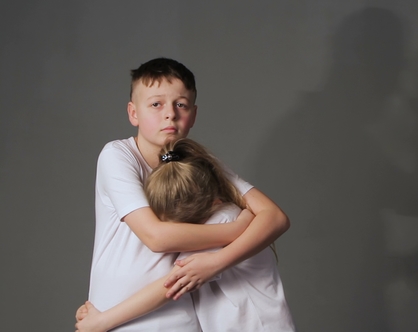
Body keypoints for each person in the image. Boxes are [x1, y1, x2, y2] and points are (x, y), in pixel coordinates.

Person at [77, 58, 290, 331]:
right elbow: (156, 236)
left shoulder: (200, 165)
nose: (170, 114)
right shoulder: (118, 156)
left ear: (194, 114)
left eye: (181, 104)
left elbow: (275, 218)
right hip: (115, 314)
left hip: (171, 314)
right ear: (133, 113)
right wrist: (238, 229)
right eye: (156, 104)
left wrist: (217, 261)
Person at [76, 138, 295, 332]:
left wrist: (103, 321)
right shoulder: (228, 215)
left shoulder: (222, 218)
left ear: (212, 202)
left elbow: (168, 286)